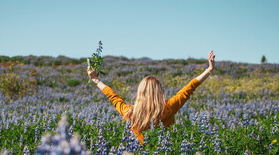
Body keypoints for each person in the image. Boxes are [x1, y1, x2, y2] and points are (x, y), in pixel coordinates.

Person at [87, 51, 215, 144]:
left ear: (140, 93)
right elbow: (188, 89)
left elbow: (113, 97)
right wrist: (208, 70)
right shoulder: (168, 108)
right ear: (159, 91)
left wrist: (96, 80)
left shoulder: (130, 112)